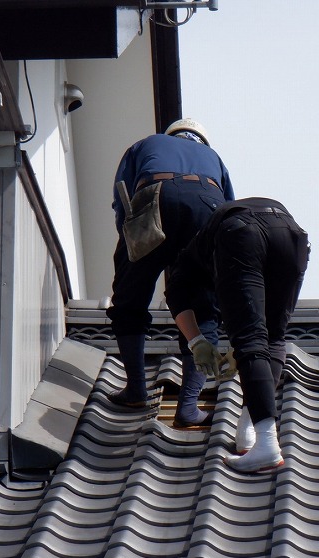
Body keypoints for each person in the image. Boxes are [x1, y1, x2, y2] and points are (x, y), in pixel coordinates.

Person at [165, 197, 310, 473]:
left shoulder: (191, 258)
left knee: (251, 338)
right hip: (293, 234)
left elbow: (175, 292)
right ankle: (248, 433)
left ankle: (267, 444)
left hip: (242, 230)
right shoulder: (207, 251)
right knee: (273, 338)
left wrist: (196, 342)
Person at [107, 118, 234, 428]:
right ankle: (189, 407)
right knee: (203, 304)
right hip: (208, 205)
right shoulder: (214, 157)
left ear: (171, 135)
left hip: (156, 198)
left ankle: (136, 388)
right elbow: (229, 208)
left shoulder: (145, 144)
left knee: (129, 299)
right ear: (201, 141)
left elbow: (120, 199)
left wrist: (132, 245)